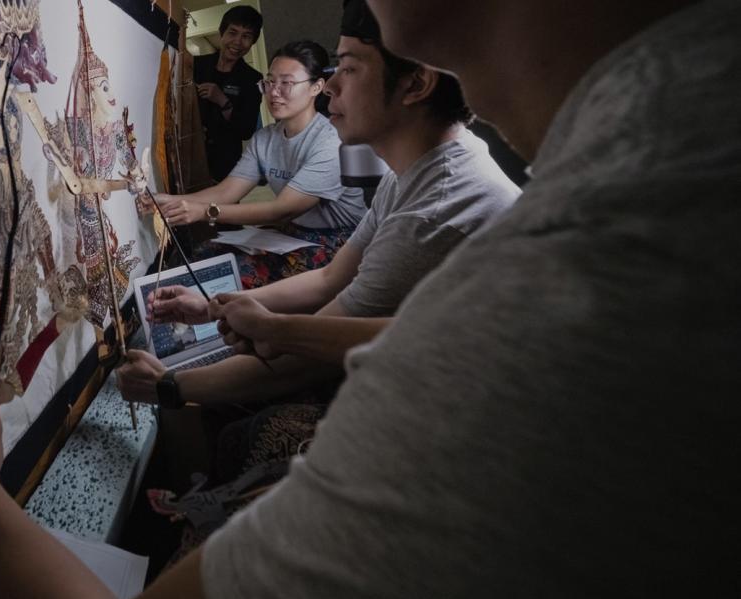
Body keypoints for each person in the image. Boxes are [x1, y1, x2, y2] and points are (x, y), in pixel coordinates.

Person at [0, 0, 741, 599]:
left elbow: (311, 291)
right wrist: (221, 302)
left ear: (415, 83)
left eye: (340, 73)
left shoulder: (586, 273)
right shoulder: (635, 171)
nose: (318, 92)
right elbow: (330, 280)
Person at [118, 25, 519, 420]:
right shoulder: (408, 174)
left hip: (475, 410)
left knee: (258, 433)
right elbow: (331, 279)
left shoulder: (433, 207)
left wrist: (171, 386)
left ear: (416, 85)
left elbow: (314, 354)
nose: (330, 88)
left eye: (347, 69)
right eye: (270, 82)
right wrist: (210, 308)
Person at [160, 39, 367, 286]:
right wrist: (169, 202)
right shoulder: (265, 139)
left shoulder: (330, 141)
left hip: (340, 241)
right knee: (207, 254)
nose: (274, 92)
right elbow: (227, 191)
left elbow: (282, 210)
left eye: (287, 83)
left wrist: (204, 212)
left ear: (316, 87)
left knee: (239, 273)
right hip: (293, 234)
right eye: (269, 82)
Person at [192, 5, 264, 181]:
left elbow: (246, 130)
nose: (238, 42)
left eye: (246, 36)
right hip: (190, 157)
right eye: (232, 32)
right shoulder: (196, 66)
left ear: (253, 42)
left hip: (225, 165)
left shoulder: (252, 79)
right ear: (221, 33)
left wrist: (223, 101)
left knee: (222, 208)